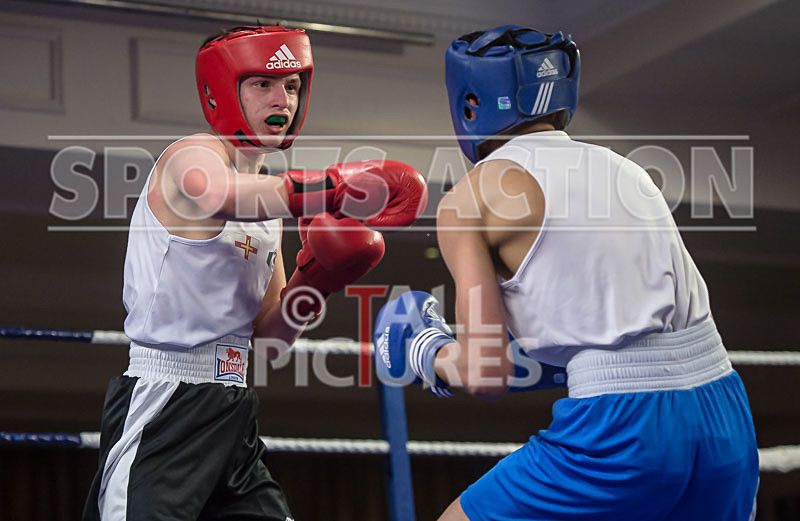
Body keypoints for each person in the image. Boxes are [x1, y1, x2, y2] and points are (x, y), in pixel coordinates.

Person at [374, 25, 759, 521]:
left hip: (622, 428)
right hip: (723, 409)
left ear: (470, 103)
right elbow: (625, 339)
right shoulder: (627, 169)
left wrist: (427, 350)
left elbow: (484, 374)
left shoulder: (469, 199)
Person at [82, 26, 427, 521]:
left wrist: (318, 282)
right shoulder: (192, 156)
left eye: (290, 85)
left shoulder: (267, 203)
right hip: (163, 407)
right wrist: (333, 186)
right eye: (263, 83)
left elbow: (269, 338)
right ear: (223, 90)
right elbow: (219, 194)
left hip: (232, 406)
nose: (281, 97)